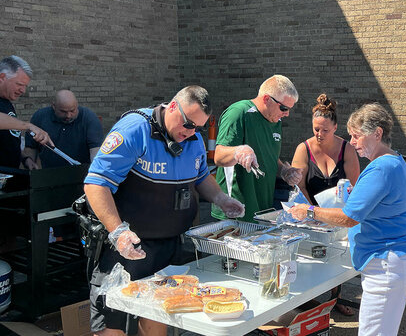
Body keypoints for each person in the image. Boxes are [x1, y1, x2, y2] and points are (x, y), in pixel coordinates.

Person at [84, 86, 245, 336]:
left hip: (167, 248)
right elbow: (96, 183)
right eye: (187, 123)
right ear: (172, 106)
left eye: (197, 127)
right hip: (126, 248)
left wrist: (221, 199)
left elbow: (201, 176)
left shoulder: (192, 140)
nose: (190, 132)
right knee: (111, 325)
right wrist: (118, 231)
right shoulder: (135, 129)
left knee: (157, 316)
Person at [289, 103, 406, 336]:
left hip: (386, 262)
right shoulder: (395, 160)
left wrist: (309, 211)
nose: (352, 141)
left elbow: (350, 218)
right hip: (394, 258)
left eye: (357, 135)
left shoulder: (380, 168)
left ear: (377, 134)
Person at [290, 94, 360, 316]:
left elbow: (356, 186)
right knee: (310, 258)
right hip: (309, 212)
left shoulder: (346, 149)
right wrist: (312, 213)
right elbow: (299, 187)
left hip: (338, 214)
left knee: (337, 260)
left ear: (336, 127)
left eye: (325, 130)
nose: (319, 134)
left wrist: (339, 214)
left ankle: (334, 299)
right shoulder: (304, 149)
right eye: (315, 129)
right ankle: (309, 302)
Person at [213, 75, 303, 222]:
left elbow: (269, 157)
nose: (287, 114)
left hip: (262, 209)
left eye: (289, 109)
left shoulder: (276, 121)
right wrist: (238, 151)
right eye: (284, 108)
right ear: (267, 99)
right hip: (236, 210)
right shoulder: (239, 113)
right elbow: (218, 156)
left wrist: (285, 171)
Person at [23, 89, 103, 169]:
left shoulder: (89, 118)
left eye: (72, 111)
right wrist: (29, 161)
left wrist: (95, 174)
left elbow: (95, 150)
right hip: (49, 172)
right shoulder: (40, 117)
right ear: (54, 106)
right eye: (63, 111)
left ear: (77, 105)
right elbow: (31, 147)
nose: (68, 115)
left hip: (81, 172)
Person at [0, 55, 52, 168]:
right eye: (19, 84)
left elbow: (8, 140)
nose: (23, 90)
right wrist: (28, 126)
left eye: (25, 86)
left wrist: (25, 158)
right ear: (2, 77)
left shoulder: (6, 102)